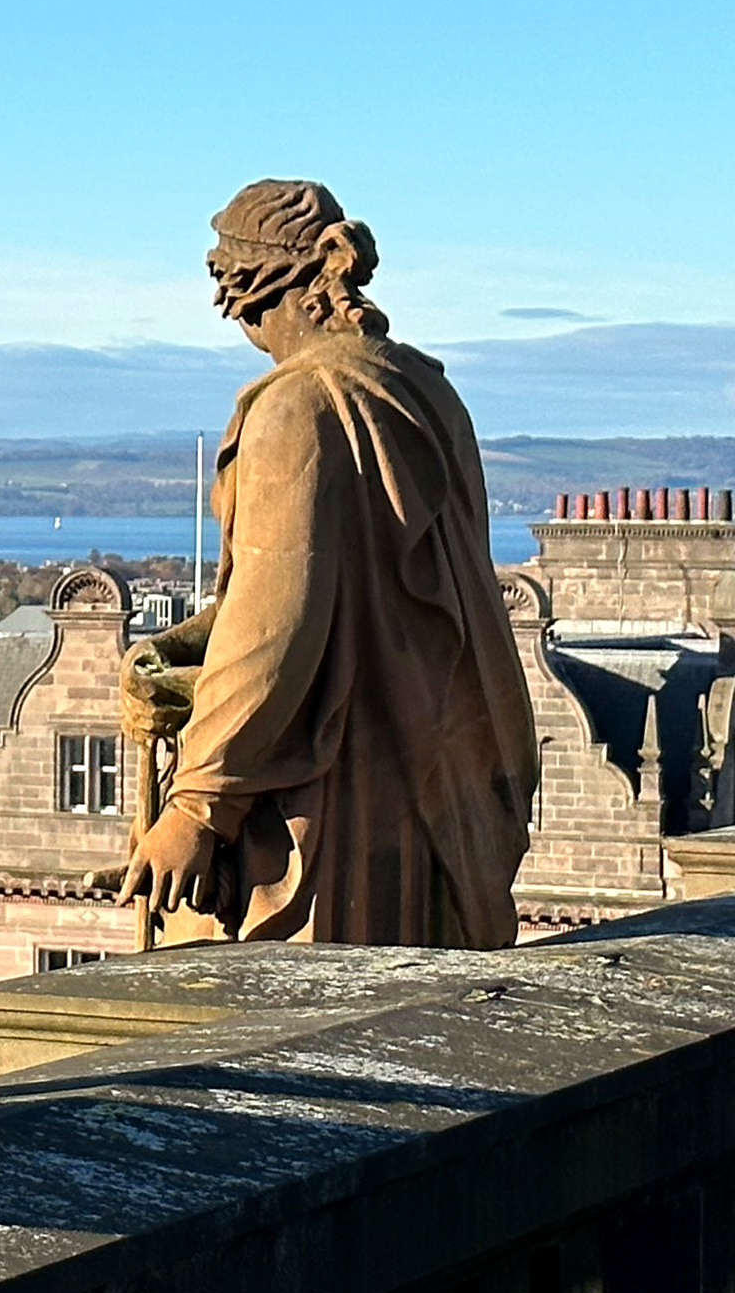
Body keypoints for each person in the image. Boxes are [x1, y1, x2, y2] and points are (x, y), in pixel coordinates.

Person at [120, 181, 533, 944]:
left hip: (326, 814)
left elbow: (277, 627)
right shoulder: (429, 395)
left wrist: (194, 808)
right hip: (431, 793)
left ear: (259, 292)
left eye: (237, 299)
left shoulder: (295, 408)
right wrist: (177, 649)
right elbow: (341, 589)